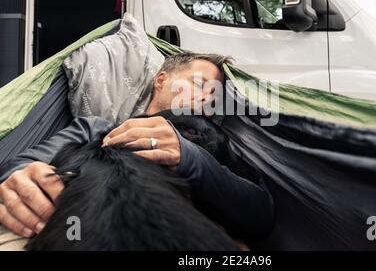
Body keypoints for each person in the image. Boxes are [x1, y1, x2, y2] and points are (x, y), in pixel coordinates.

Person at [0, 53, 275, 246]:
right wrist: (20, 181)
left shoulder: (211, 142)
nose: (206, 97)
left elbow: (261, 216)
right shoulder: (95, 128)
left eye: (214, 96)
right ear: (161, 80)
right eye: (200, 85)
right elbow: (16, 167)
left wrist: (192, 158)